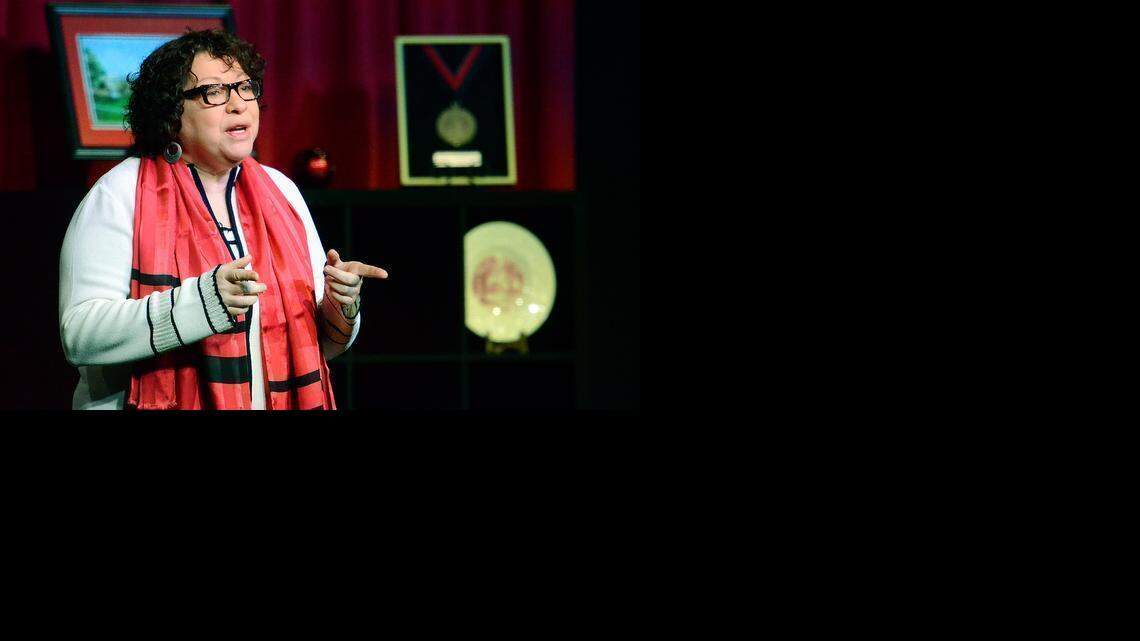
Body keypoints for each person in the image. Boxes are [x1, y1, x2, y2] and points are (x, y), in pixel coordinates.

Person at [58, 29, 386, 409]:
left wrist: (340, 306)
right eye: (214, 92)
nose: (238, 105)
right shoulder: (120, 193)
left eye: (245, 87)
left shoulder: (281, 191)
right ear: (171, 110)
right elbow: (80, 334)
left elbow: (315, 346)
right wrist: (201, 303)